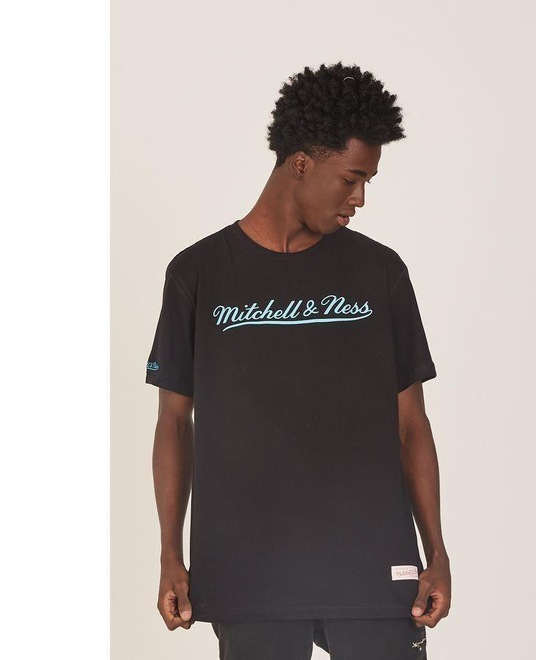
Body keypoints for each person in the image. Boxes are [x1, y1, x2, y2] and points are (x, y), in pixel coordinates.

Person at [146, 61, 451, 660]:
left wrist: (436, 551)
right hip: (249, 574)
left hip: (373, 572)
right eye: (351, 179)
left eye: (368, 182)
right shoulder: (198, 274)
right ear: (302, 164)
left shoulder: (379, 272)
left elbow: (411, 423)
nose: (359, 198)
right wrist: (170, 555)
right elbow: (174, 424)